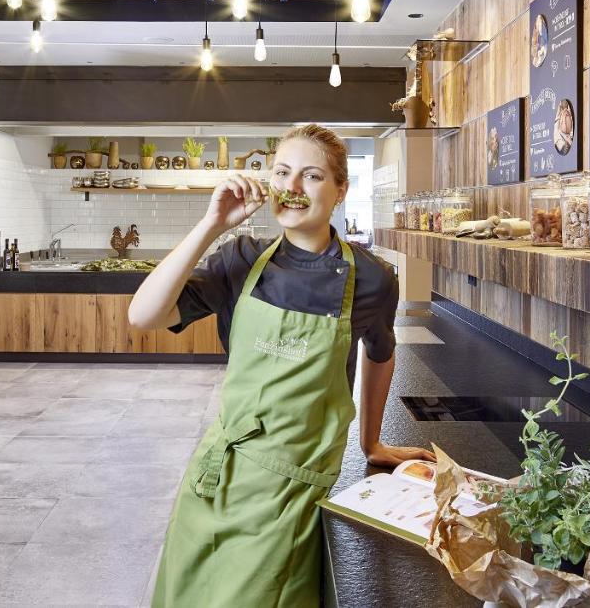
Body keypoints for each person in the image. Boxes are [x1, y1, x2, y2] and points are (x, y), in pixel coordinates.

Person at [129, 124, 433, 608]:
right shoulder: (241, 259)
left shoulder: (373, 280)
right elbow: (142, 315)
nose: (292, 187)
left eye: (311, 176)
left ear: (340, 189)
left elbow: (381, 351)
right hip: (217, 477)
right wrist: (211, 224)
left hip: (290, 491)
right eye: (282, 172)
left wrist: (371, 442)